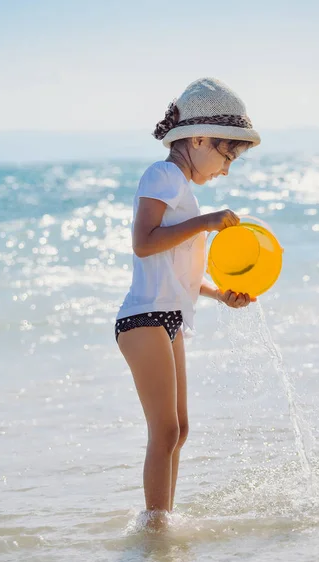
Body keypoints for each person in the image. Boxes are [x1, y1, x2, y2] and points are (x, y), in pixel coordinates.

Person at [115, 77, 261, 526]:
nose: (225, 168)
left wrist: (220, 295)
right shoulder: (161, 175)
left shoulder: (185, 191)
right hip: (142, 319)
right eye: (225, 155)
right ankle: (154, 527)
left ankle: (164, 520)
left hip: (168, 317)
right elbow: (144, 242)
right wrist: (206, 222)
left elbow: (179, 275)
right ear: (196, 139)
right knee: (164, 428)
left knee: (179, 429)